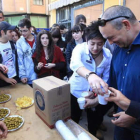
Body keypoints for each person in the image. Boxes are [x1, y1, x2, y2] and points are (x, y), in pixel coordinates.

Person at [98, 5, 140, 140]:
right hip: (121, 125)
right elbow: (114, 85)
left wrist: (134, 113)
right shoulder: (118, 48)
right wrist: (96, 98)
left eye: (111, 37)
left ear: (126, 25)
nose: (110, 43)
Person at [69, 21, 112, 139]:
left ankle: (93, 131)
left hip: (95, 93)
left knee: (94, 119)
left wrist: (95, 93)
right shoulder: (79, 49)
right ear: (86, 39)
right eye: (92, 43)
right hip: (76, 91)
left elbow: (107, 77)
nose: (95, 48)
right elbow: (75, 64)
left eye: (100, 44)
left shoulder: (108, 55)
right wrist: (90, 75)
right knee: (74, 118)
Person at [16, 18, 37, 87]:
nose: (23, 33)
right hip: (28, 76)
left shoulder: (38, 39)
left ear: (30, 28)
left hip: (40, 74)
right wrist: (22, 75)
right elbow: (20, 60)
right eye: (21, 31)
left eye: (25, 31)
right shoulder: (19, 42)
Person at [0, 21, 20, 87]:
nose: (12, 34)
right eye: (10, 31)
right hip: (3, 82)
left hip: (16, 79)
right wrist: (6, 79)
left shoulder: (13, 44)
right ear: (2, 32)